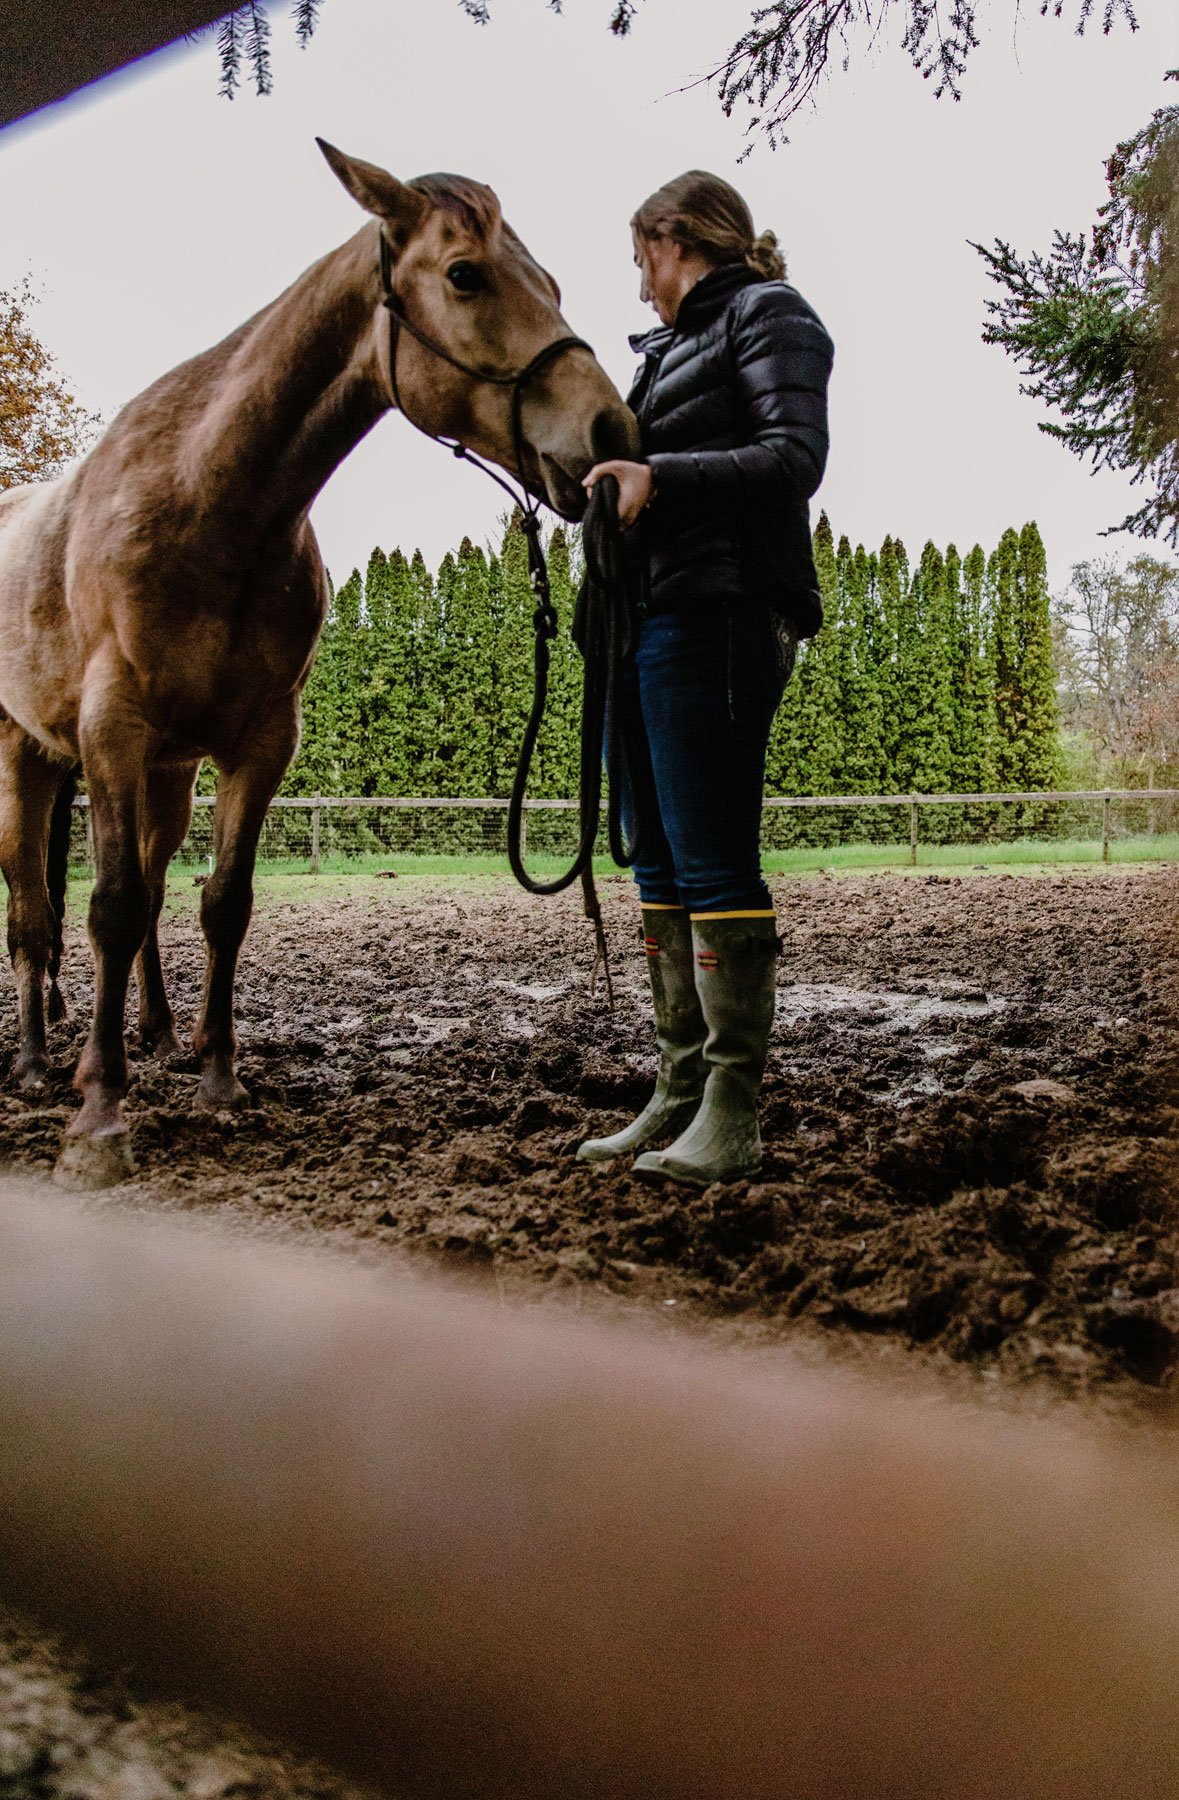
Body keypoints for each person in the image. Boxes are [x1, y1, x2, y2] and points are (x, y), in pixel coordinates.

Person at [578, 170, 834, 1186]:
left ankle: (733, 1108)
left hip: (723, 614)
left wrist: (662, 481)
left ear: (677, 239)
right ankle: (679, 1089)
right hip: (646, 621)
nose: (640, 284)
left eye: (643, 259)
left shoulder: (771, 315)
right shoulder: (665, 354)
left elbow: (794, 456)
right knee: (660, 869)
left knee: (717, 864)